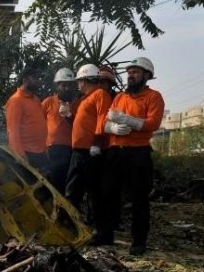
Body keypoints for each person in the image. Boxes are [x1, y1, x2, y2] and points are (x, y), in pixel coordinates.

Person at [91, 57, 165, 256]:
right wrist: (113, 126)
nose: (130, 75)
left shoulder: (154, 97)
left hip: (138, 153)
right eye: (129, 72)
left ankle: (139, 241)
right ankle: (105, 234)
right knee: (107, 194)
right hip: (115, 152)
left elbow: (153, 124)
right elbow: (105, 123)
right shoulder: (119, 97)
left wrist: (127, 120)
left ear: (147, 75)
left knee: (139, 198)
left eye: (135, 72)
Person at [65, 64, 111, 217]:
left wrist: (97, 143)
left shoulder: (100, 95)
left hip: (89, 151)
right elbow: (82, 124)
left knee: (92, 190)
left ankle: (97, 228)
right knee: (74, 189)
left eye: (79, 81)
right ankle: (74, 223)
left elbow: (102, 119)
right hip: (79, 150)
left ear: (84, 80)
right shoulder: (85, 99)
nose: (78, 85)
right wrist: (68, 116)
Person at [42, 67, 80, 191]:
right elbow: (39, 125)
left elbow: (82, 127)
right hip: (52, 150)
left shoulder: (78, 104)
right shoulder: (48, 102)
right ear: (57, 86)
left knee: (68, 185)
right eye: (64, 85)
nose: (67, 88)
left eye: (70, 85)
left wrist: (70, 116)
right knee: (52, 185)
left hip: (71, 150)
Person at [5, 67, 48, 172]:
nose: (38, 80)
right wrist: (21, 156)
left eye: (38, 78)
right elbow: (12, 131)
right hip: (27, 154)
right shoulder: (15, 100)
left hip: (41, 153)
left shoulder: (36, 99)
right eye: (35, 78)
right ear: (25, 80)